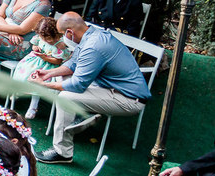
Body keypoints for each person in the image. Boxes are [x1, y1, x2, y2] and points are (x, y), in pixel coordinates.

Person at [30, 12, 152, 164]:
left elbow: (77, 85)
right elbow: (73, 63)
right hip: (107, 88)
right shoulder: (91, 33)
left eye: (62, 35)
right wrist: (48, 73)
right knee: (63, 80)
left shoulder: (93, 47)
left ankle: (62, 152)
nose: (61, 39)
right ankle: (84, 116)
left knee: (65, 97)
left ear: (70, 32)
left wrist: (44, 85)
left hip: (127, 99)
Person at [12, 16, 71, 119]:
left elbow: (58, 60)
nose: (45, 40)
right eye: (43, 38)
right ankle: (19, 90)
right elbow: (34, 44)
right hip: (35, 61)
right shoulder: (40, 37)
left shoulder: (59, 45)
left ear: (55, 34)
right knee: (23, 70)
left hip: (49, 66)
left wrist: (45, 57)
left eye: (48, 39)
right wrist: (36, 48)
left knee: (37, 81)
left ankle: (33, 106)